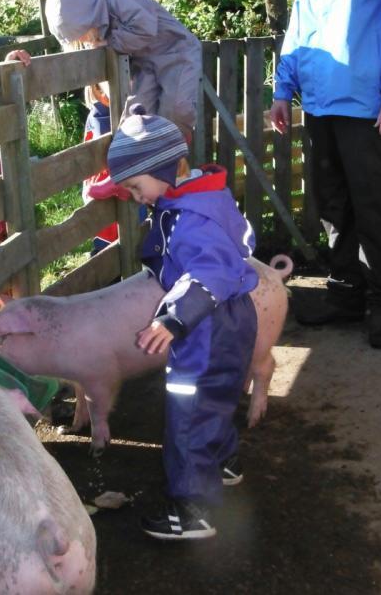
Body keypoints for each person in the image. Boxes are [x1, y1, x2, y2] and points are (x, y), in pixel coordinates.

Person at [106, 105, 258, 540]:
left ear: (164, 169)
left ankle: (193, 510)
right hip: (233, 316)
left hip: (204, 324)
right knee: (217, 394)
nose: (137, 197)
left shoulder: (190, 218)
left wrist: (174, 319)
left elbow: (208, 272)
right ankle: (224, 460)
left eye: (137, 186)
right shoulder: (202, 195)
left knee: (188, 411)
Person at [270, 0, 381, 349]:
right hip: (318, 105)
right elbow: (299, 29)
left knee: (375, 207)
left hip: (369, 106)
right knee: (333, 207)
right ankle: (346, 296)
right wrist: (283, 89)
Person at [45, 0, 202, 139]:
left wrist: (110, 43)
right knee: (136, 119)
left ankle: (173, 160)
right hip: (145, 63)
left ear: (83, 15)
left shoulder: (119, 0)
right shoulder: (95, 15)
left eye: (80, 33)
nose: (82, 39)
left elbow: (145, 27)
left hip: (177, 52)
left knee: (177, 109)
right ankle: (132, 163)